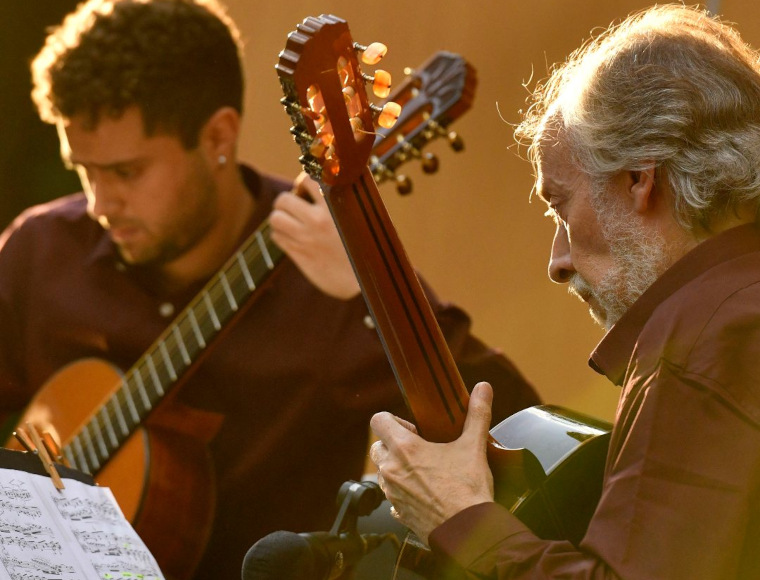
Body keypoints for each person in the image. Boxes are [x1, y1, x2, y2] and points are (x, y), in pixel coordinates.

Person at [0, 0, 540, 578]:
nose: (101, 205)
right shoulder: (43, 250)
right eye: (85, 170)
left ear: (217, 136)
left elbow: (516, 437)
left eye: (127, 173)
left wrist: (371, 292)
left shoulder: (326, 261)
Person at [370, 4, 760, 579]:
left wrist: (456, 514)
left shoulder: (697, 338)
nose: (556, 263)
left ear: (638, 178)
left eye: (562, 205)